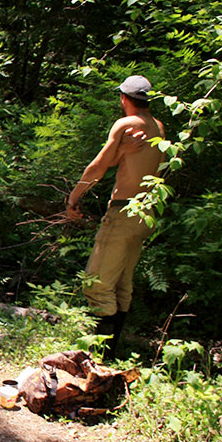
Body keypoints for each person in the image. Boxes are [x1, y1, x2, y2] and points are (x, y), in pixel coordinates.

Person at [66, 75, 165, 360]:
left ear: (124, 98)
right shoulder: (157, 126)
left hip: (123, 211)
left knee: (96, 284)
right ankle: (112, 353)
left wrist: (74, 198)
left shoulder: (125, 125)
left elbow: (98, 166)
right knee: (122, 283)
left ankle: (98, 357)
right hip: (146, 213)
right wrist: (122, 151)